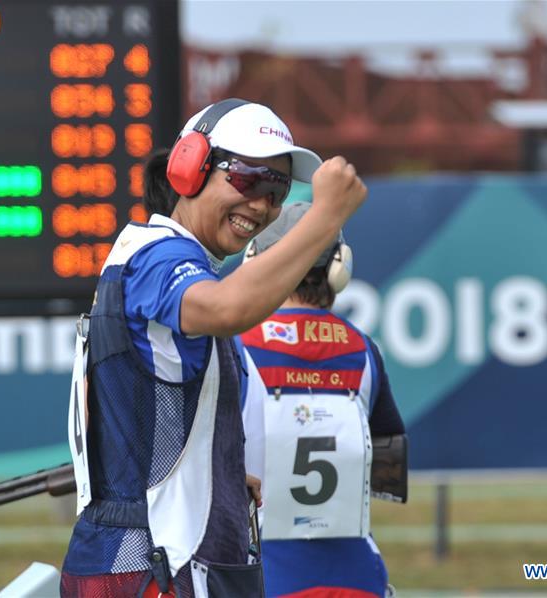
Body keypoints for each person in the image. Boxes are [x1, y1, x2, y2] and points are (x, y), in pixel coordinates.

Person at [60, 99, 367, 597]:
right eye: (247, 179)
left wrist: (213, 471)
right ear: (190, 165)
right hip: (158, 561)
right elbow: (227, 309)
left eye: (277, 189)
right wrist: (324, 218)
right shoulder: (160, 255)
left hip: (153, 556)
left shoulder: (159, 252)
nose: (262, 205)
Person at [238, 202, 407, 598]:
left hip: (262, 577)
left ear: (256, 261)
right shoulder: (364, 350)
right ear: (339, 268)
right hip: (357, 577)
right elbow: (385, 462)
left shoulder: (235, 347)